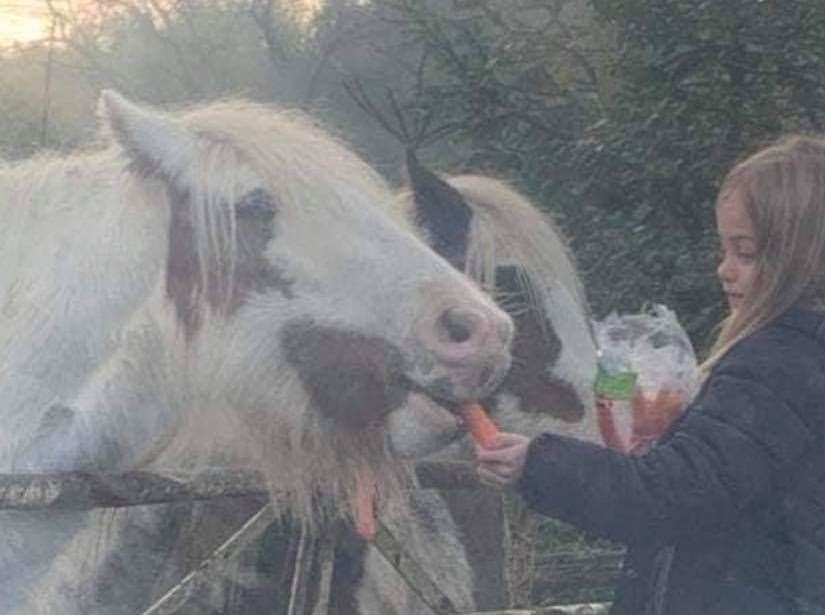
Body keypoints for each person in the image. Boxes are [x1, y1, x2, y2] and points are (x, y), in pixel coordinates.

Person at [476, 135, 825, 615]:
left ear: (801, 258)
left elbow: (672, 497)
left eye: (745, 252)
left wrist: (538, 464)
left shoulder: (777, 364)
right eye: (724, 249)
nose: (724, 270)